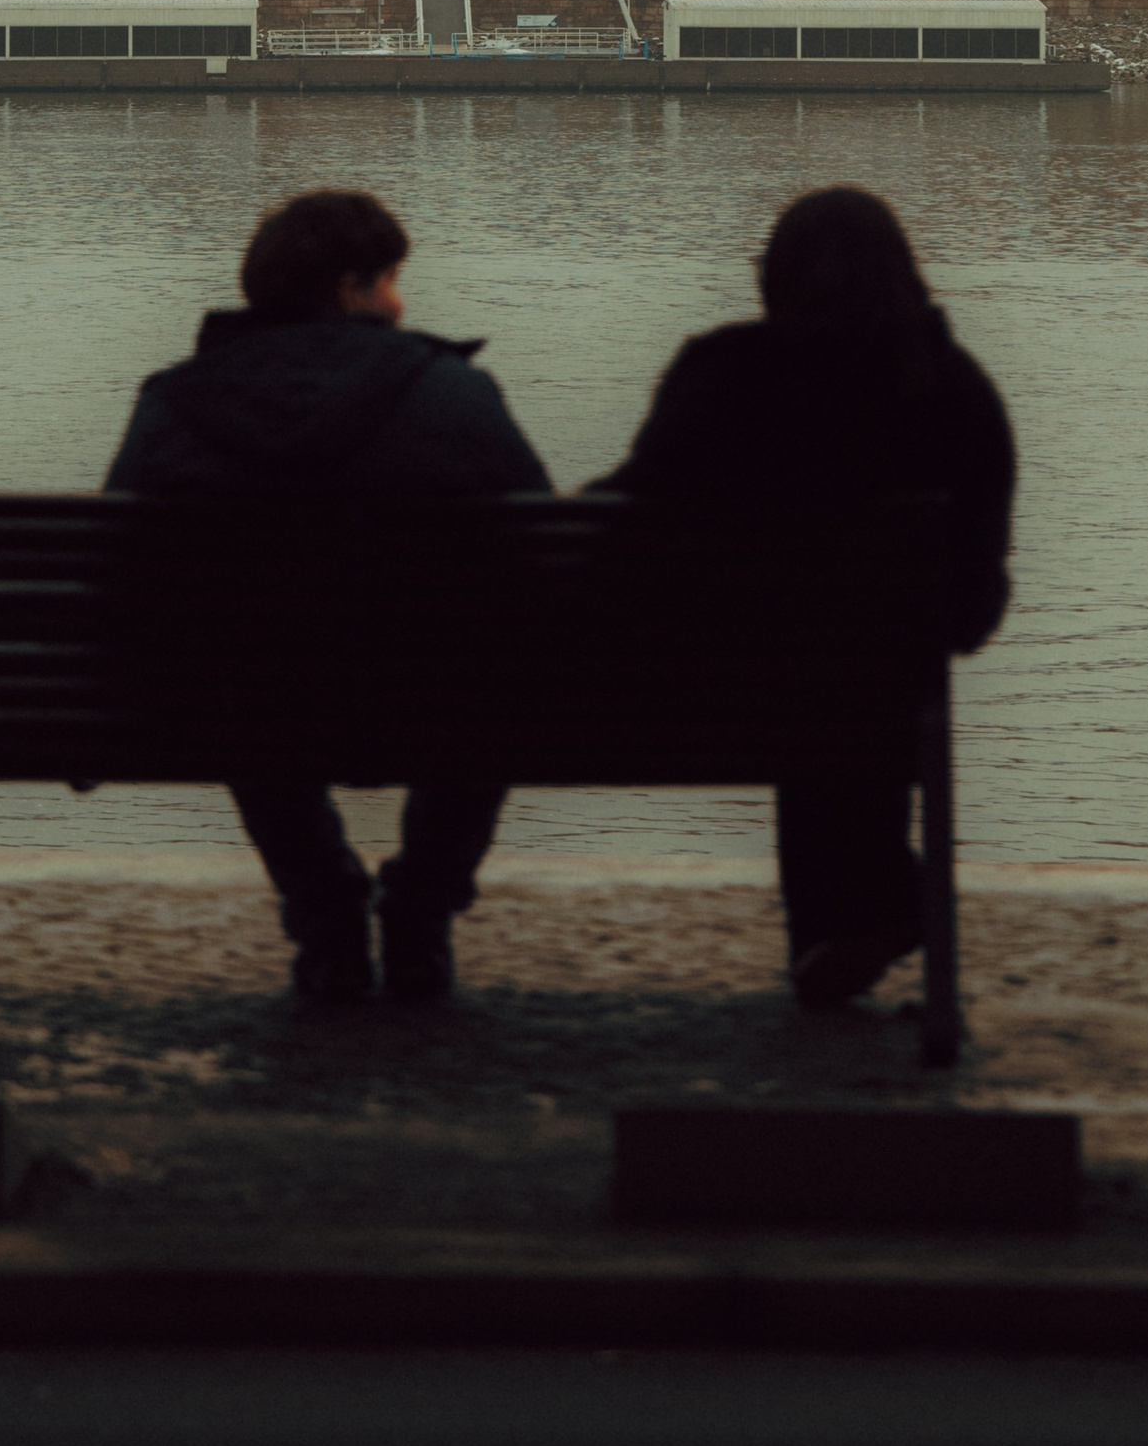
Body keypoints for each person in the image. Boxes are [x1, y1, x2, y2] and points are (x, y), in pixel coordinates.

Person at [104, 188, 549, 1005]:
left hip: (244, 707)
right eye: (391, 280)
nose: (400, 301)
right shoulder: (453, 392)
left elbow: (122, 575)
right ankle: (419, 917)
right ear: (350, 289)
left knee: (241, 668)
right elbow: (538, 555)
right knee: (486, 676)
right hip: (432, 700)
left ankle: (326, 917)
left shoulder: (175, 400)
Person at [592, 184, 1015, 1012]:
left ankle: (843, 928)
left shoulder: (723, 372)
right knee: (853, 671)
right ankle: (867, 910)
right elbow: (973, 602)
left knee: (800, 661)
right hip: (873, 689)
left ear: (773, 278)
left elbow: (626, 525)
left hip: (697, 695)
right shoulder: (954, 393)